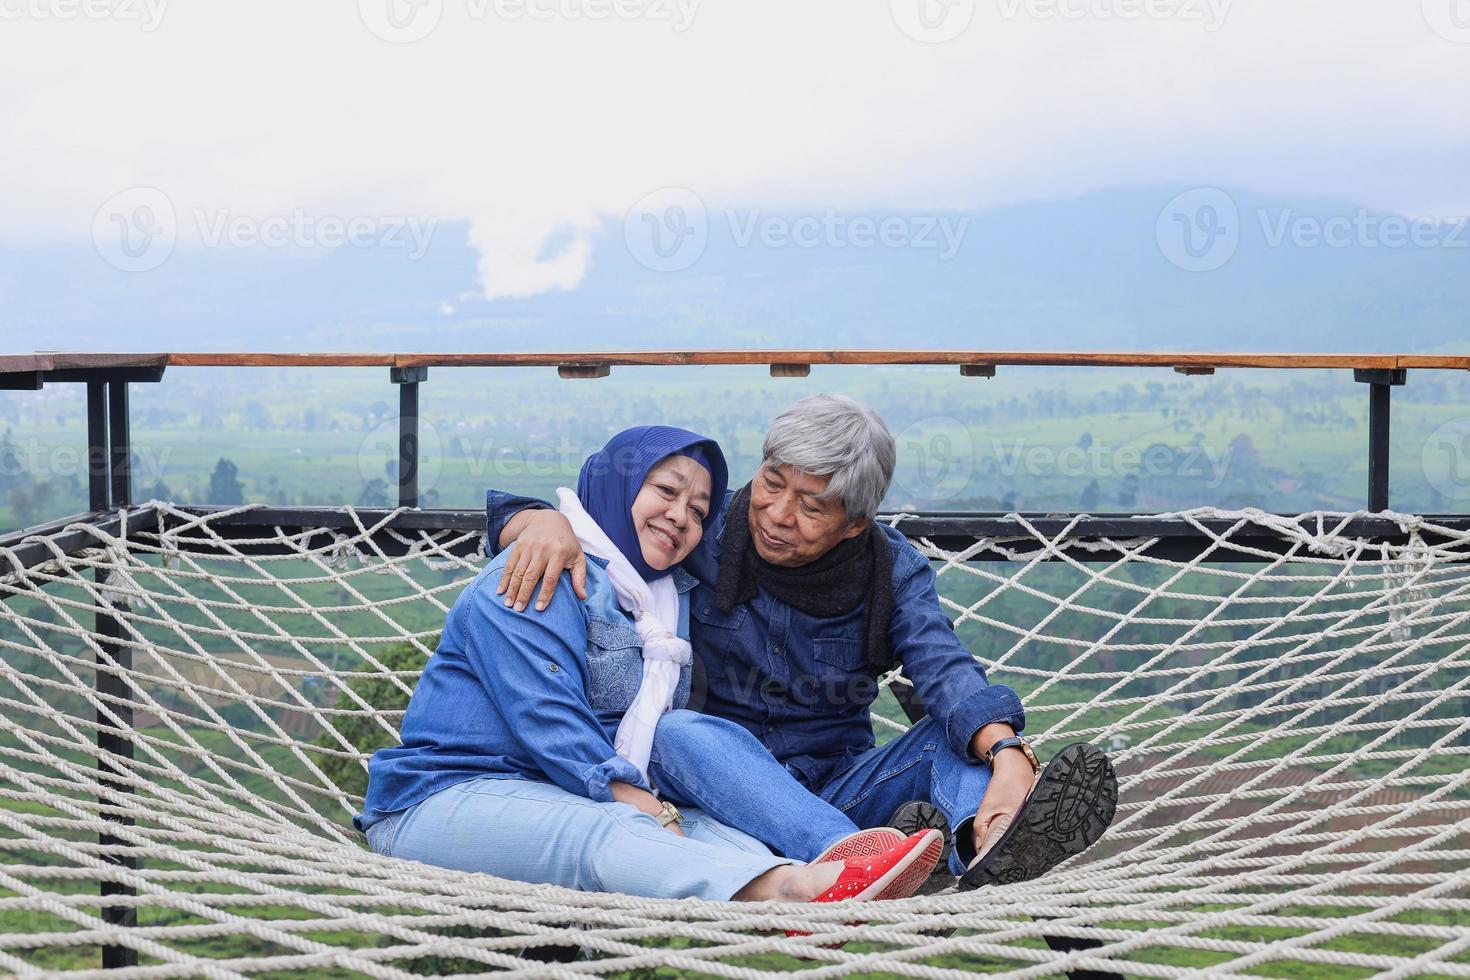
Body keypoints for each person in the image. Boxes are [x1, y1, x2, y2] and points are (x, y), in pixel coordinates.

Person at [486, 397, 1119, 890]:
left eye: (812, 506)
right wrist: (537, 520)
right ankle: (879, 859)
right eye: (771, 481)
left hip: (842, 782)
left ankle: (986, 844)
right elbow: (609, 514)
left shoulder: (889, 569)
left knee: (955, 742)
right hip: (723, 793)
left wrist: (1007, 750)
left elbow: (941, 666)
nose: (776, 514)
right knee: (680, 732)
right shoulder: (707, 531)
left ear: (855, 525)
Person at [356, 425, 943, 908]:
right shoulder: (538, 568)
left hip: (561, 795)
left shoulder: (660, 602)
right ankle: (790, 891)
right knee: (616, 832)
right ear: (620, 486)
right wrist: (534, 519)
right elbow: (548, 717)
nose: (680, 516)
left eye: (698, 508)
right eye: (664, 491)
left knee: (722, 833)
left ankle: (858, 871)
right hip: (446, 796)